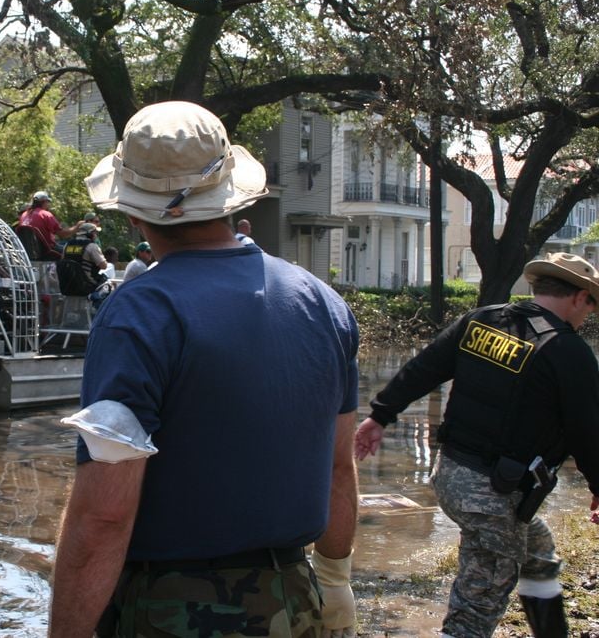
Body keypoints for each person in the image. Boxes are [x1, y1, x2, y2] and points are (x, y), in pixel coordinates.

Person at [50, 101, 360, 638]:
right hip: (295, 600)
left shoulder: (139, 315)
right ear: (229, 195)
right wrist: (335, 580)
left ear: (133, 213)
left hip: (170, 611)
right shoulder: (324, 304)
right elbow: (338, 468)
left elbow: (104, 515)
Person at [354, 252, 599, 637]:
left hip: (449, 475)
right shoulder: (569, 353)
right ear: (580, 296)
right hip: (493, 496)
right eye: (593, 304)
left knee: (537, 552)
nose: (590, 314)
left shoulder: (482, 320)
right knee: (476, 608)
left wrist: (379, 415)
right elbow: (588, 431)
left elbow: (424, 368)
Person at [57, 223, 111, 306]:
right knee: (108, 285)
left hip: (67, 286)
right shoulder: (92, 246)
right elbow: (104, 266)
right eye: (95, 233)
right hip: (86, 286)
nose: (96, 235)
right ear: (91, 234)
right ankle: (97, 314)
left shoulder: (67, 245)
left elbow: (63, 261)